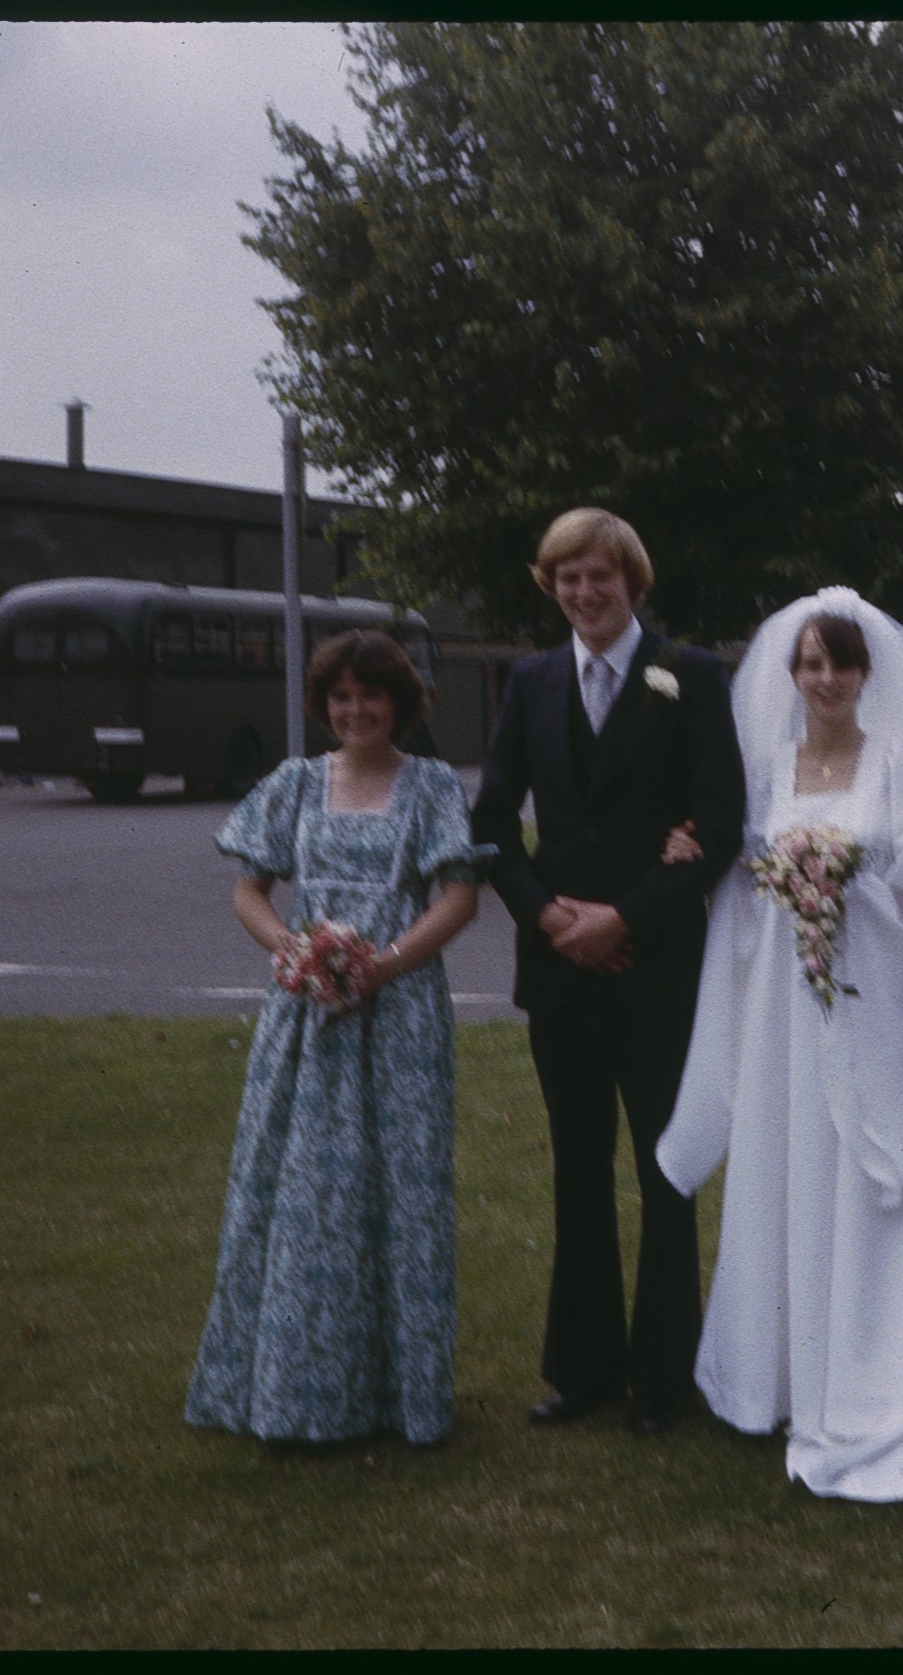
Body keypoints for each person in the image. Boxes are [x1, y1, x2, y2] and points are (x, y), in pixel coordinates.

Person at [654, 591, 903, 1501]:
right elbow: (736, 873)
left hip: (868, 1000)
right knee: (780, 1164)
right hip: (782, 1003)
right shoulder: (768, 766)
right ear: (792, 673)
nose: (826, 677)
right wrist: (730, 858)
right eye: (811, 662)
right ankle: (772, 1376)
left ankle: (860, 1378)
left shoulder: (897, 766)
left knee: (856, 1177)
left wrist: (841, 886)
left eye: (841, 662)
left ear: (865, 673)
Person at [474, 507, 745, 1436]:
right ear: (550, 586)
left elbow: (719, 821)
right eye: (567, 577)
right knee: (578, 1169)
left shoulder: (691, 674)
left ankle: (665, 1378)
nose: (584, 592)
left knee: (666, 1170)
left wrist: (624, 915)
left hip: (657, 961)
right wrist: (550, 916)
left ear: (632, 579)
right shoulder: (532, 680)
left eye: (600, 574)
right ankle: (583, 1368)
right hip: (561, 968)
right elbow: (491, 823)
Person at [185, 629, 487, 1446]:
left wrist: (382, 965)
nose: (356, 710)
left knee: (399, 1189)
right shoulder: (294, 782)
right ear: (323, 704)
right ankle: (287, 1391)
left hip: (400, 1011)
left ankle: (396, 1395)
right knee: (300, 1187)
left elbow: (458, 898)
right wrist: (295, 951)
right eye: (342, 697)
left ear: (401, 701)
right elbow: (249, 891)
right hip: (308, 1012)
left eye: (372, 694)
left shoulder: (431, 786)